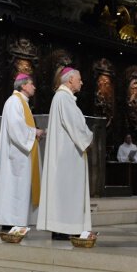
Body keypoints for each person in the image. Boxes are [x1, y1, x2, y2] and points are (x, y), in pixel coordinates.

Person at [36, 67, 93, 239]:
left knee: (63, 193)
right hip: (67, 157)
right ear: (70, 80)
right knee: (67, 192)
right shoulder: (64, 98)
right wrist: (89, 137)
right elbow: (76, 125)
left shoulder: (62, 98)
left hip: (66, 155)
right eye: (79, 79)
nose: (81, 82)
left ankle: (61, 228)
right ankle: (64, 228)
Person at [0, 74, 45, 230]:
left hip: (22, 153)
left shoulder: (22, 103)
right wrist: (34, 132)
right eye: (31, 84)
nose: (34, 87)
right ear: (23, 86)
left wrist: (34, 132)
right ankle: (9, 223)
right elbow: (16, 128)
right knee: (13, 188)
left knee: (19, 189)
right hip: (15, 155)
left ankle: (17, 222)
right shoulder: (14, 102)